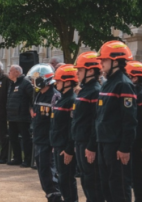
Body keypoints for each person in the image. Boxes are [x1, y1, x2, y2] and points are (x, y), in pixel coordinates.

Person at [96, 40, 138, 201]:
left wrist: (125, 147)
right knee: (106, 187)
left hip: (116, 145)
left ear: (115, 61)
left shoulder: (123, 84)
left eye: (104, 60)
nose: (101, 63)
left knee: (119, 188)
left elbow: (129, 119)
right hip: (104, 142)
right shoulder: (108, 83)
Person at [71, 51, 104, 201]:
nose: (77, 73)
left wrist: (91, 146)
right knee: (85, 178)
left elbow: (95, 121)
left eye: (80, 70)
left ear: (90, 71)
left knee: (93, 181)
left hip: (88, 143)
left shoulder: (95, 91)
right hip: (80, 140)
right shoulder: (85, 89)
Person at [29, 64, 61, 201]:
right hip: (39, 139)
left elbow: (56, 122)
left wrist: (54, 142)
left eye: (34, 79)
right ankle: (50, 196)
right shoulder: (39, 95)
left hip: (48, 141)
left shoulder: (54, 96)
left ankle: (56, 197)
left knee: (49, 172)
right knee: (43, 171)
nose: (32, 82)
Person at [50, 65, 79, 202]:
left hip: (65, 147)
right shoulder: (62, 98)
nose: (56, 84)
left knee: (67, 180)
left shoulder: (71, 100)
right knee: (62, 179)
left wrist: (69, 148)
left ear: (67, 82)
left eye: (58, 81)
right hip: (58, 145)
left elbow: (71, 127)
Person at [123, 61, 142, 202]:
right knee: (134, 176)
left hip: (139, 142)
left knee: (140, 176)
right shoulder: (134, 93)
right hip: (133, 140)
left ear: (134, 78)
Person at [6, 65, 34, 166]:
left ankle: (27, 159)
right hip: (12, 116)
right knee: (13, 138)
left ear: (17, 72)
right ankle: (17, 158)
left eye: (10, 71)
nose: (9, 73)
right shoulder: (12, 84)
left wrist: (31, 108)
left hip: (23, 116)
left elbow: (32, 97)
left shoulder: (25, 83)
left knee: (25, 139)